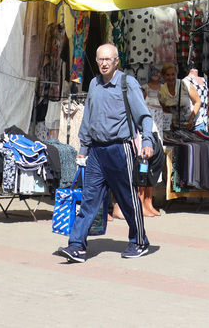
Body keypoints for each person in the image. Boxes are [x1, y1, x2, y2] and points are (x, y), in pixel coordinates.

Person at [57, 44, 154, 263]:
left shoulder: (127, 83)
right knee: (89, 200)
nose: (104, 63)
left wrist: (147, 140)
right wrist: (83, 149)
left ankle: (139, 241)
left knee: (128, 198)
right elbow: (88, 118)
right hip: (97, 153)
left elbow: (144, 117)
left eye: (108, 59)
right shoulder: (94, 84)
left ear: (116, 61)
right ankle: (77, 246)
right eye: (100, 59)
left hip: (120, 150)